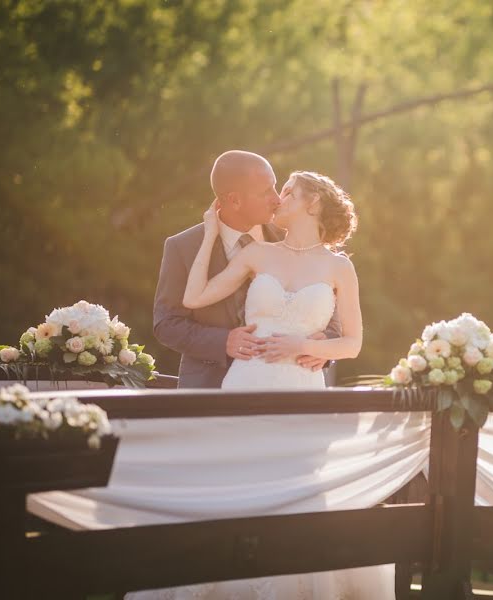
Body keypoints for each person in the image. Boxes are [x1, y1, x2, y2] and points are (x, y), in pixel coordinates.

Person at [131, 169, 392, 599]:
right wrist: (211, 234)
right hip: (245, 384)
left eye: (288, 191)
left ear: (312, 203)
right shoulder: (260, 254)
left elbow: (353, 342)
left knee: (299, 490)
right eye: (276, 190)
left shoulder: (339, 266)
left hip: (302, 391)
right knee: (231, 482)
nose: (278, 197)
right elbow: (194, 299)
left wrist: (311, 344)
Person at [153, 151, 339, 388]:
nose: (277, 199)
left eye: (275, 187)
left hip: (289, 385)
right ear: (235, 200)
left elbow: (332, 320)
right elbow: (166, 323)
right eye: (265, 192)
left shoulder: (296, 239)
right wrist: (223, 342)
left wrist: (323, 347)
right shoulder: (183, 247)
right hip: (207, 389)